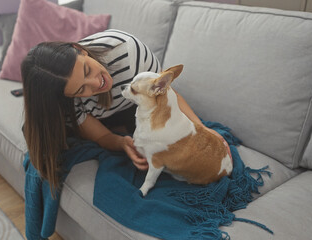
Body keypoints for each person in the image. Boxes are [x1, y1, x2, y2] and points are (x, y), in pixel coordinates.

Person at [21, 29, 231, 196]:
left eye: (87, 70)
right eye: (81, 90)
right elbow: (102, 136)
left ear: (79, 49)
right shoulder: (65, 103)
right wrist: (122, 143)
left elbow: (166, 94)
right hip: (97, 118)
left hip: (128, 108)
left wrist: (202, 128)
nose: (96, 83)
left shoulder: (128, 52)